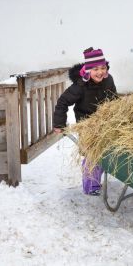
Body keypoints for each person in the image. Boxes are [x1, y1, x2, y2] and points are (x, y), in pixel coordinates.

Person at [53, 47, 117, 196]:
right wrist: (59, 124)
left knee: (107, 151)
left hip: (106, 122)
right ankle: (91, 186)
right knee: (93, 154)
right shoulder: (80, 86)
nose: (100, 72)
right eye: (95, 69)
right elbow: (62, 102)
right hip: (87, 123)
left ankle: (100, 175)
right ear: (88, 70)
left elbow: (113, 99)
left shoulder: (109, 79)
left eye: (102, 68)